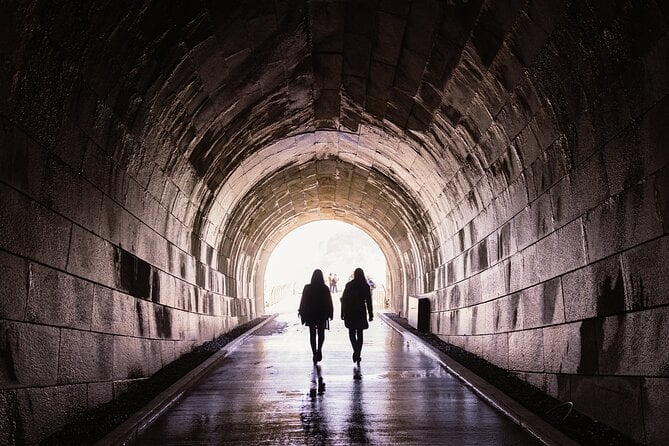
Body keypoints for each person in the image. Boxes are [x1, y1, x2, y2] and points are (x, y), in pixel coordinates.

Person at [298, 269, 334, 363]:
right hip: (321, 314)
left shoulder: (307, 288)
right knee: (321, 333)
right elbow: (329, 301)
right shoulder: (325, 288)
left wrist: (301, 311)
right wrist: (330, 312)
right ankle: (319, 350)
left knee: (312, 334)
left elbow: (303, 300)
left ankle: (314, 353)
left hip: (311, 314)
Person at [340, 268, 374, 365]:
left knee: (351, 332)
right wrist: (370, 314)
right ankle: (358, 352)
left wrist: (342, 313)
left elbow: (344, 300)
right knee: (360, 333)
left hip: (350, 311)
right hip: (360, 311)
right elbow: (368, 302)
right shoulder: (365, 286)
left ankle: (355, 350)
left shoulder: (349, 285)